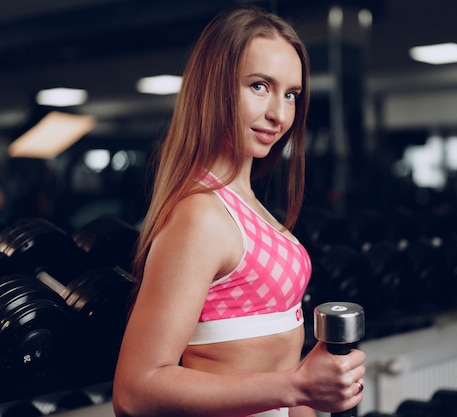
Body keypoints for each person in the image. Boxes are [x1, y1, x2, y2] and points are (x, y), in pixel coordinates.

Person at [112, 5, 366, 417]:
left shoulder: (248, 206)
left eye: (291, 95)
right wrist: (298, 384)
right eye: (259, 86)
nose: (279, 114)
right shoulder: (201, 216)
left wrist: (308, 388)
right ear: (214, 87)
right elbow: (135, 392)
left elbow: (286, 373)